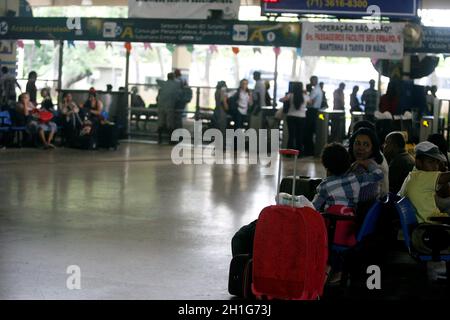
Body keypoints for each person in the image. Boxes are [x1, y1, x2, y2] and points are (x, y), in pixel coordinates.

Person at [312, 143, 384, 284]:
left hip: (332, 234)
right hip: (352, 230)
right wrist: (366, 163)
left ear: (326, 167)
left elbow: (312, 208)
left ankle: (328, 269)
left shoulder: (324, 186)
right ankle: (337, 268)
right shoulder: (356, 179)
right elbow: (378, 174)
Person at [348, 127, 389, 207]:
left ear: (372, 149)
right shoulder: (370, 162)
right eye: (357, 143)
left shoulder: (362, 168)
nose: (361, 148)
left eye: (366, 145)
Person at [279, 82, 308, 152]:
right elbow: (311, 102)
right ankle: (299, 152)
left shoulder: (290, 95)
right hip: (301, 117)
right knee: (299, 135)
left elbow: (281, 100)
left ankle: (289, 153)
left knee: (291, 135)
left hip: (291, 116)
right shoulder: (305, 96)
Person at [156, 73, 182, 143]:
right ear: (173, 77)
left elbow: (157, 81)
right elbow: (179, 93)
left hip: (161, 105)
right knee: (170, 122)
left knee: (161, 121)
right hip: (170, 105)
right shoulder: (175, 85)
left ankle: (159, 139)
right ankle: (170, 140)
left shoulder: (163, 84)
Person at [304, 76, 323, 156]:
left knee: (308, 131)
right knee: (310, 131)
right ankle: (310, 150)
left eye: (311, 80)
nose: (310, 82)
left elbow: (309, 102)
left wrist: (305, 96)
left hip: (312, 112)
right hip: (315, 111)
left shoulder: (315, 90)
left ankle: (309, 151)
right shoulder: (318, 89)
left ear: (314, 81)